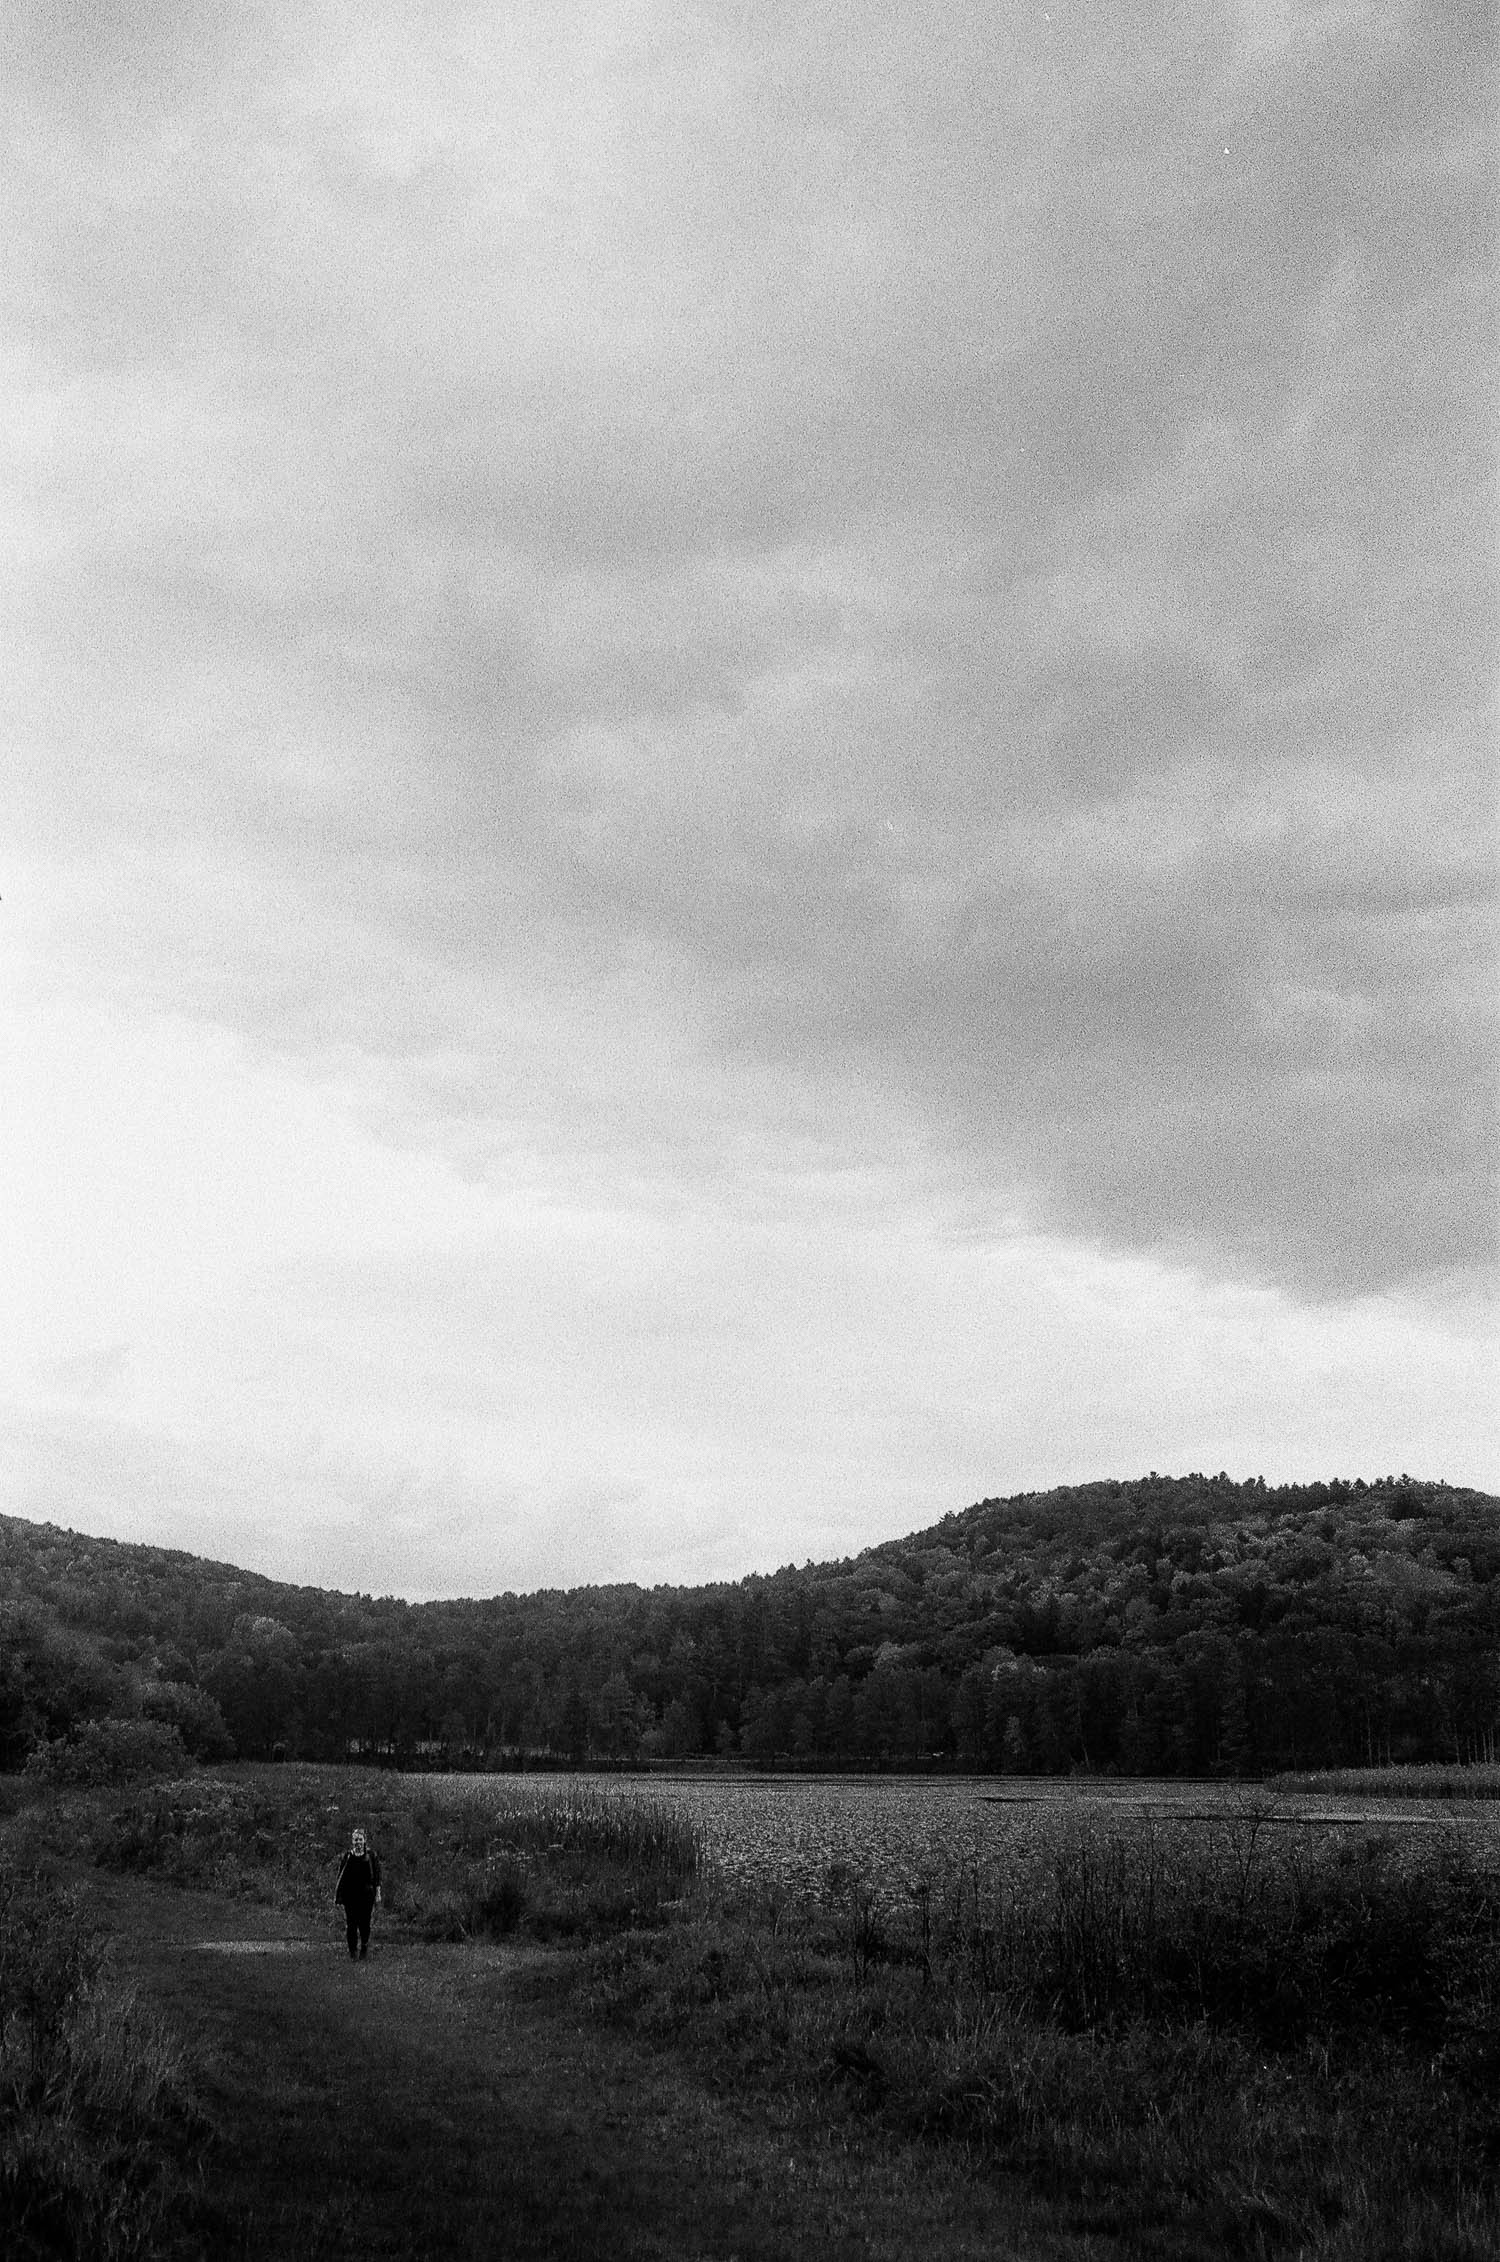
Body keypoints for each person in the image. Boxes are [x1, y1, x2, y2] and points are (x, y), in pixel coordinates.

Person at [334, 1827, 382, 1959]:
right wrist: (339, 1894)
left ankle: (364, 1947)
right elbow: (341, 1876)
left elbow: (377, 1876)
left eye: (360, 1839)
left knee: (365, 1923)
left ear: (364, 1840)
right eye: (356, 1840)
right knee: (351, 1924)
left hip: (367, 1895)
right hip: (351, 1895)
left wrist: (378, 1893)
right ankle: (353, 1950)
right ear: (352, 1841)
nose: (358, 1842)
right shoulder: (348, 1856)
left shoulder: (371, 1856)